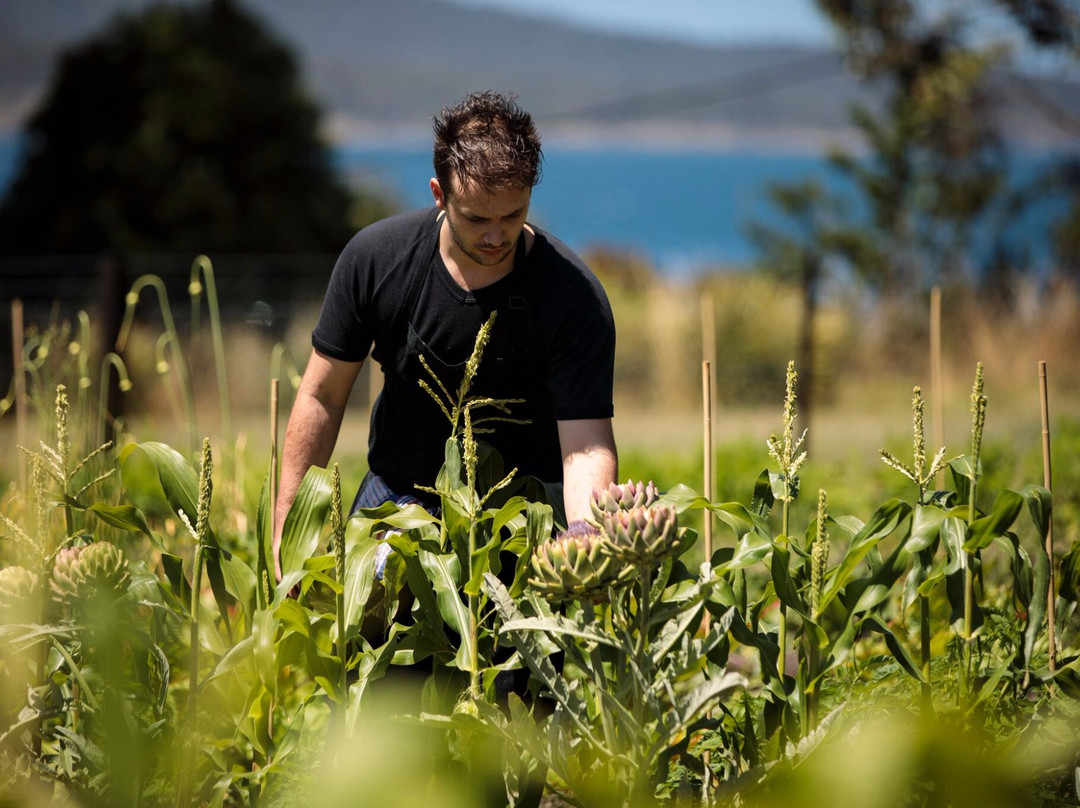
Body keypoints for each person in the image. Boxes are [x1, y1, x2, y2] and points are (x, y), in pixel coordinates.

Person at [272, 90, 618, 577]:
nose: (497, 236)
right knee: (365, 644)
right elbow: (322, 396)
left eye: (512, 216)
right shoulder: (376, 261)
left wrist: (585, 538)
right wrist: (291, 527)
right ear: (439, 194)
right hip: (396, 498)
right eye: (477, 219)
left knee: (516, 652)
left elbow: (585, 447)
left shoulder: (572, 296)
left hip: (522, 512)